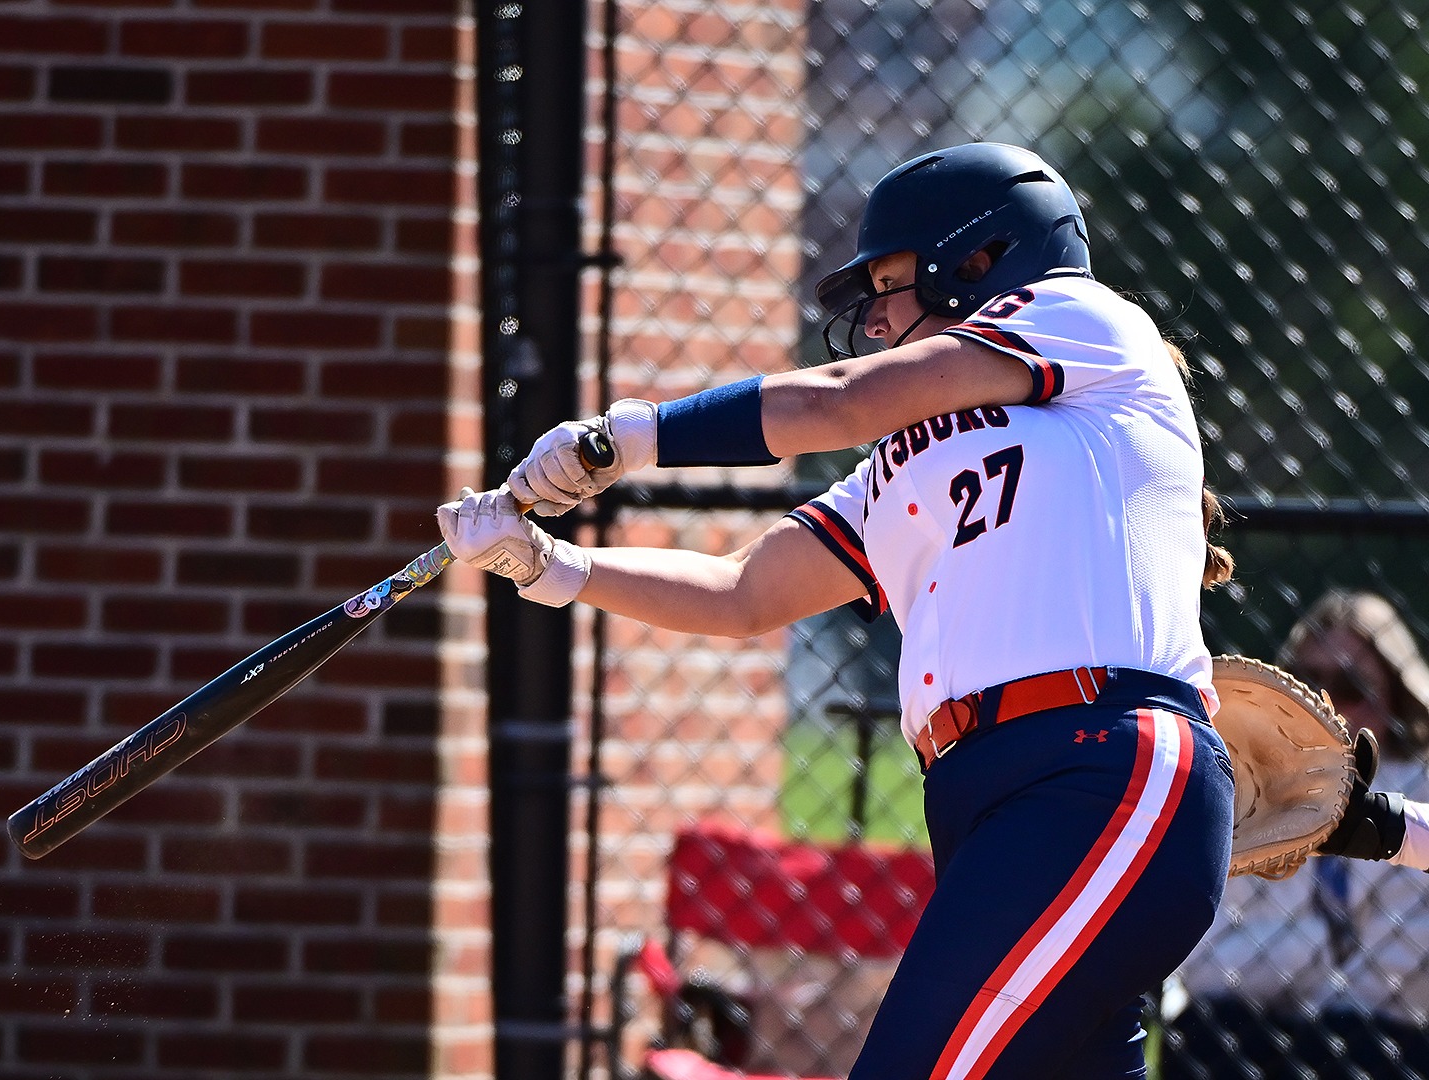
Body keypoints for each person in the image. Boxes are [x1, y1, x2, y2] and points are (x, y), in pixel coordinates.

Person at [439, 142, 1239, 1079]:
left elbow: (838, 400)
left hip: (1095, 766)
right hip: (990, 794)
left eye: (893, 281)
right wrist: (549, 566)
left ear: (980, 260)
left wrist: (630, 437)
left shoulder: (1083, 318)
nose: (877, 315)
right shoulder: (902, 460)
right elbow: (747, 592)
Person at [1169, 590, 1429, 1079]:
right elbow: (1203, 967)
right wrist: (1332, 939)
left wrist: (1286, 956)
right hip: (1253, 1034)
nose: (1332, 704)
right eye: (1311, 682)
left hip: (1382, 1042)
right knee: (1203, 1030)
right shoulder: (1249, 796)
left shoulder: (1418, 796)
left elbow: (1407, 980)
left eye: (1353, 687)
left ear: (1394, 695)